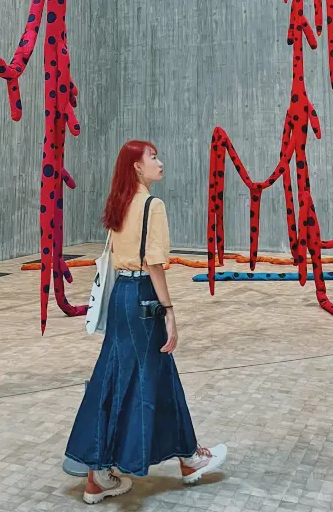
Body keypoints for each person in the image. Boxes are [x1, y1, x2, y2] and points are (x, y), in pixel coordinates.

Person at [65, 140, 227, 504]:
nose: (159, 161)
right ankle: (183, 459)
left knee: (118, 376)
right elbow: (154, 262)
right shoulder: (153, 206)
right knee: (151, 377)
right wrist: (169, 310)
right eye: (152, 157)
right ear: (137, 167)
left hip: (121, 296)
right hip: (143, 298)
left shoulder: (120, 204)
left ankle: (103, 472)